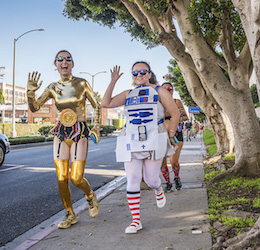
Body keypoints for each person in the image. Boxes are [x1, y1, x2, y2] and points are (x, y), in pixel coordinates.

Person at [101, 62, 179, 234]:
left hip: (154, 136)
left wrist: (172, 133)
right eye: (135, 73)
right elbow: (105, 104)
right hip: (131, 138)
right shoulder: (128, 93)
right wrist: (113, 81)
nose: (139, 75)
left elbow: (175, 113)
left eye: (142, 71)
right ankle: (136, 220)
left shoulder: (160, 91)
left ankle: (158, 188)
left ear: (149, 74)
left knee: (151, 180)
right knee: (133, 178)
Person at [27, 50, 101, 229]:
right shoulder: (52, 87)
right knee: (61, 178)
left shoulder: (82, 83)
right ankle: (70, 214)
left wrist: (96, 126)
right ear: (56, 64)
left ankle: (90, 195)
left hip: (79, 131)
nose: (64, 62)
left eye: (68, 59)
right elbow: (35, 108)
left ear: (73, 63)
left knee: (76, 178)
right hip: (61, 132)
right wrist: (30, 93)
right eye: (60, 59)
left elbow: (96, 105)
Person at [160, 82, 188, 192]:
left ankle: (176, 177)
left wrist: (176, 118)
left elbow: (185, 117)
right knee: (162, 162)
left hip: (176, 134)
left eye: (170, 88)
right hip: (161, 134)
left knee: (174, 161)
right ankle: (168, 183)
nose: (167, 90)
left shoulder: (177, 102)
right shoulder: (157, 104)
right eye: (164, 89)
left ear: (172, 90)